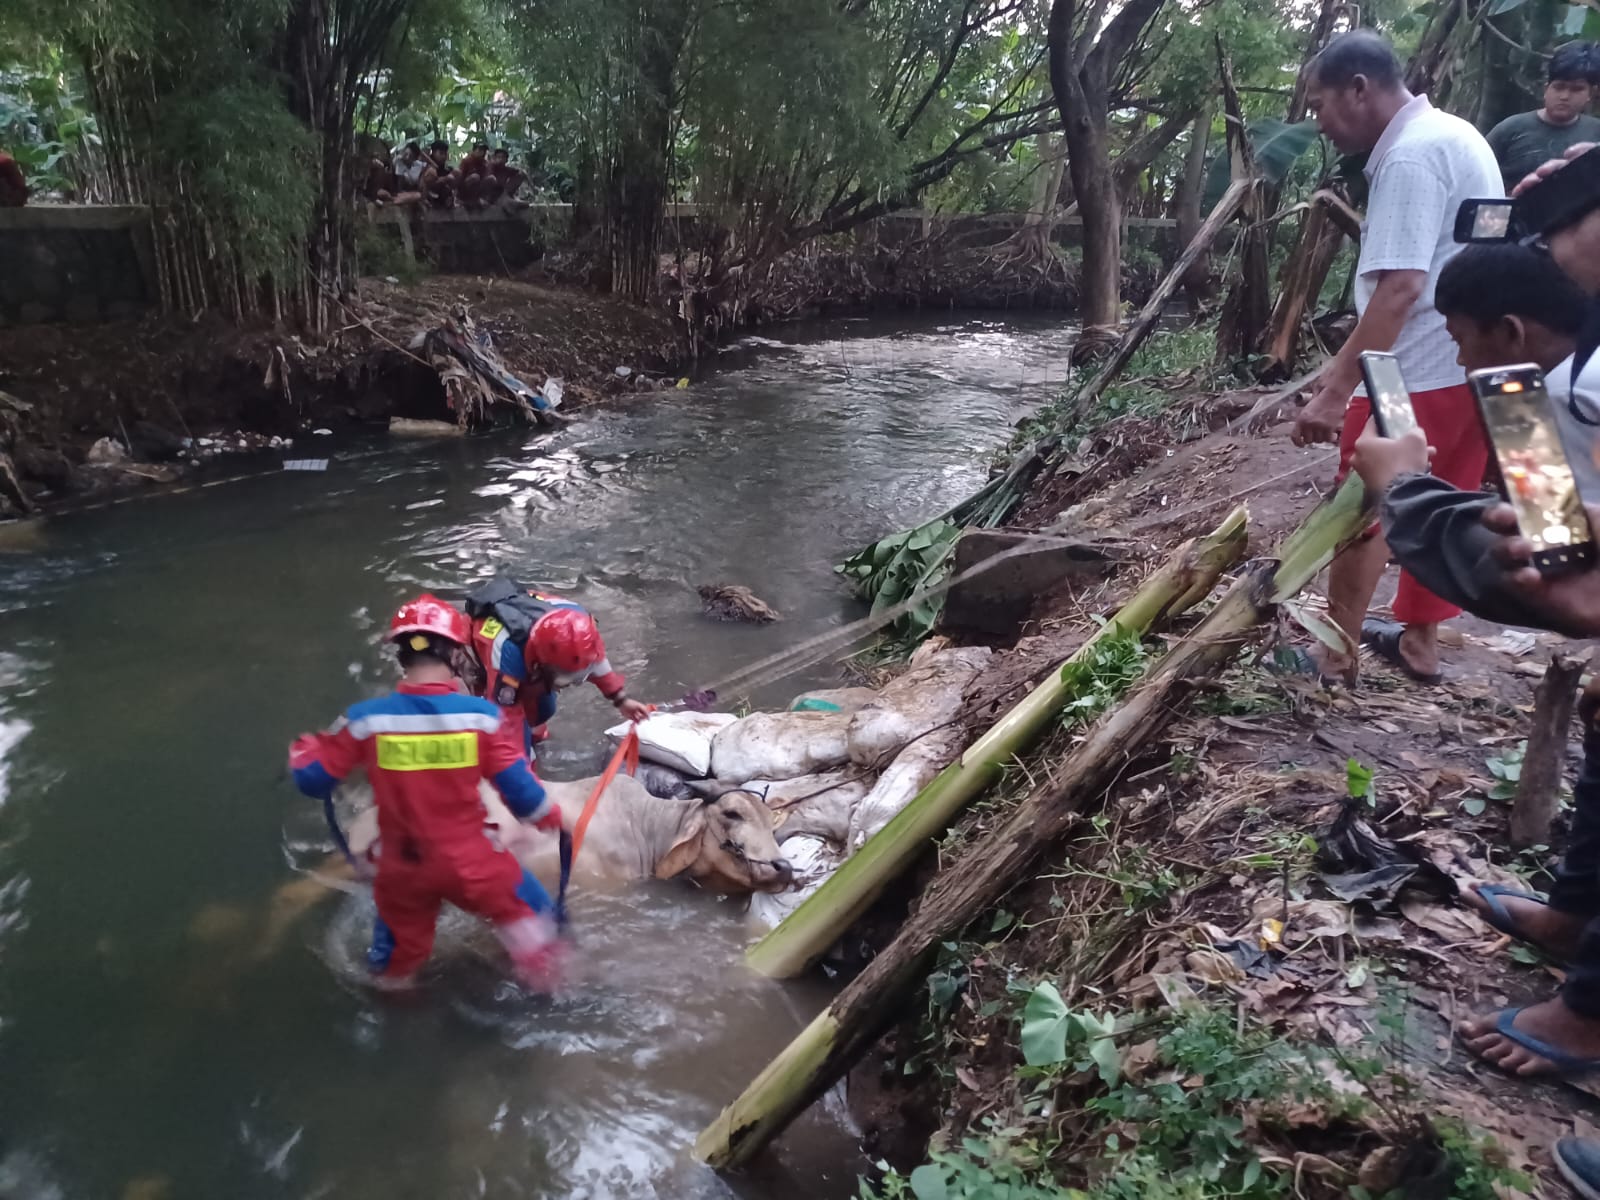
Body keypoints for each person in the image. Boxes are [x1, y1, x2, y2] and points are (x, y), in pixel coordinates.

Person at [1293, 29, 1505, 685]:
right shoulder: (1459, 136)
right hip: (1467, 363)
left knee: (1361, 506)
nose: (1319, 122)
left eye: (1321, 104)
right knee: (1442, 498)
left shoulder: (1411, 158)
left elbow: (1401, 286)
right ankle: (1418, 640)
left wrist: (1335, 391)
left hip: (1410, 371)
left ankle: (1336, 656)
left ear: (1360, 89)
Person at [288, 594, 567, 990]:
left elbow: (313, 780)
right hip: (472, 862)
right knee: (535, 923)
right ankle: (550, 991)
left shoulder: (366, 720)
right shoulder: (482, 719)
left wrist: (302, 752)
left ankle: (398, 1012)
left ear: (401, 655)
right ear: (455, 655)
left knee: (393, 966)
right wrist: (551, 819)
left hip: (402, 868)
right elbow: (523, 792)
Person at [465, 578, 652, 755]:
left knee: (545, 708)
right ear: (542, 665)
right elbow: (506, 717)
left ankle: (535, 738)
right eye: (566, 681)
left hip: (534, 647)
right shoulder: (507, 651)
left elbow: (598, 663)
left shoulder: (583, 629)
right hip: (482, 641)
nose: (574, 684)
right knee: (506, 721)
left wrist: (621, 700)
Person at [1486, 42, 1600, 193]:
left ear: (1591, 94)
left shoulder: (1596, 133)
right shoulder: (1510, 129)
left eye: (1576, 89)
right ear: (1546, 89)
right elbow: (1479, 173)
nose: (1565, 96)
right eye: (1559, 87)